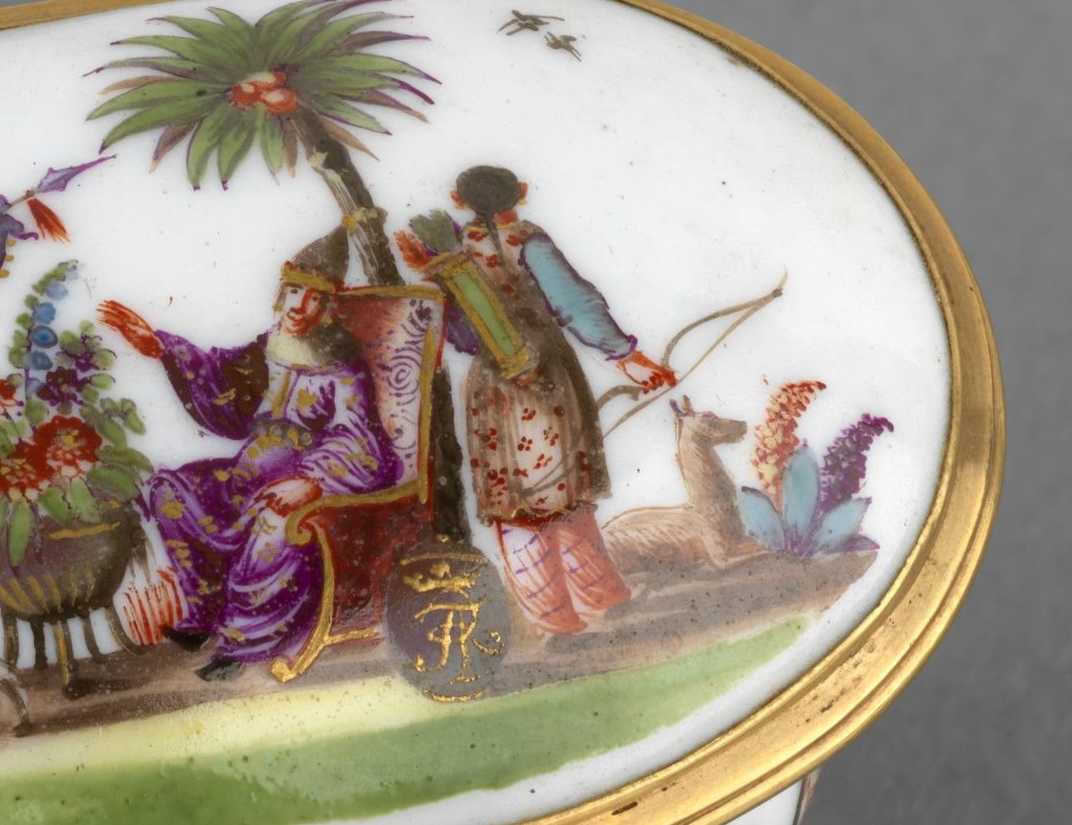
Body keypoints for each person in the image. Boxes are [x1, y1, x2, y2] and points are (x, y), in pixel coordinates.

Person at [96, 228, 398, 680]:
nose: (299, 306)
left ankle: (244, 642)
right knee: (170, 491)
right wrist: (161, 349)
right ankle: (205, 613)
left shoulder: (342, 364)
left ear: (329, 307)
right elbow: (221, 379)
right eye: (293, 291)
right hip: (243, 476)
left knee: (272, 522)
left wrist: (310, 482)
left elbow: (358, 437)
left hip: (296, 484)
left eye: (315, 297)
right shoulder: (269, 345)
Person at [403, 166, 676, 641]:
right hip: (548, 375)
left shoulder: (452, 257)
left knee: (520, 501)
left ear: (457, 199)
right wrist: (629, 358)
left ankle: (562, 615)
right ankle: (590, 603)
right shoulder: (528, 243)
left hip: (493, 386)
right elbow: (575, 304)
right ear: (524, 193)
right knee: (562, 491)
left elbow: (462, 335)